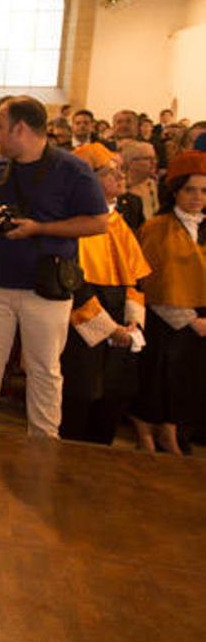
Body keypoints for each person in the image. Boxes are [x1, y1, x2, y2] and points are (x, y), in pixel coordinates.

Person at [0, 95, 108, 439]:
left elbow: (99, 222)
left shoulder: (72, 169)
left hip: (45, 287)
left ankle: (43, 441)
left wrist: (39, 228)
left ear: (20, 128)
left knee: (43, 368)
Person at [59, 143, 151, 444]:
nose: (121, 176)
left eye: (120, 169)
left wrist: (132, 322)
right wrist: (109, 329)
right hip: (82, 325)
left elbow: (134, 279)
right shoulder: (73, 220)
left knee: (113, 401)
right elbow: (71, 284)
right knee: (79, 401)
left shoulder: (119, 219)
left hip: (120, 323)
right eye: (110, 171)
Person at [130, 151, 206, 455]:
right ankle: (147, 435)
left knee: (190, 383)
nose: (198, 197)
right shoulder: (157, 227)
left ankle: (171, 432)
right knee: (159, 381)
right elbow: (153, 279)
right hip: (167, 318)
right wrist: (190, 319)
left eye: (204, 190)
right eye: (190, 189)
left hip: (202, 320)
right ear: (175, 190)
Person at [117, 139, 158, 231]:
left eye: (154, 158)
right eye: (147, 158)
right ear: (130, 162)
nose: (153, 162)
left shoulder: (157, 186)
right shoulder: (120, 191)